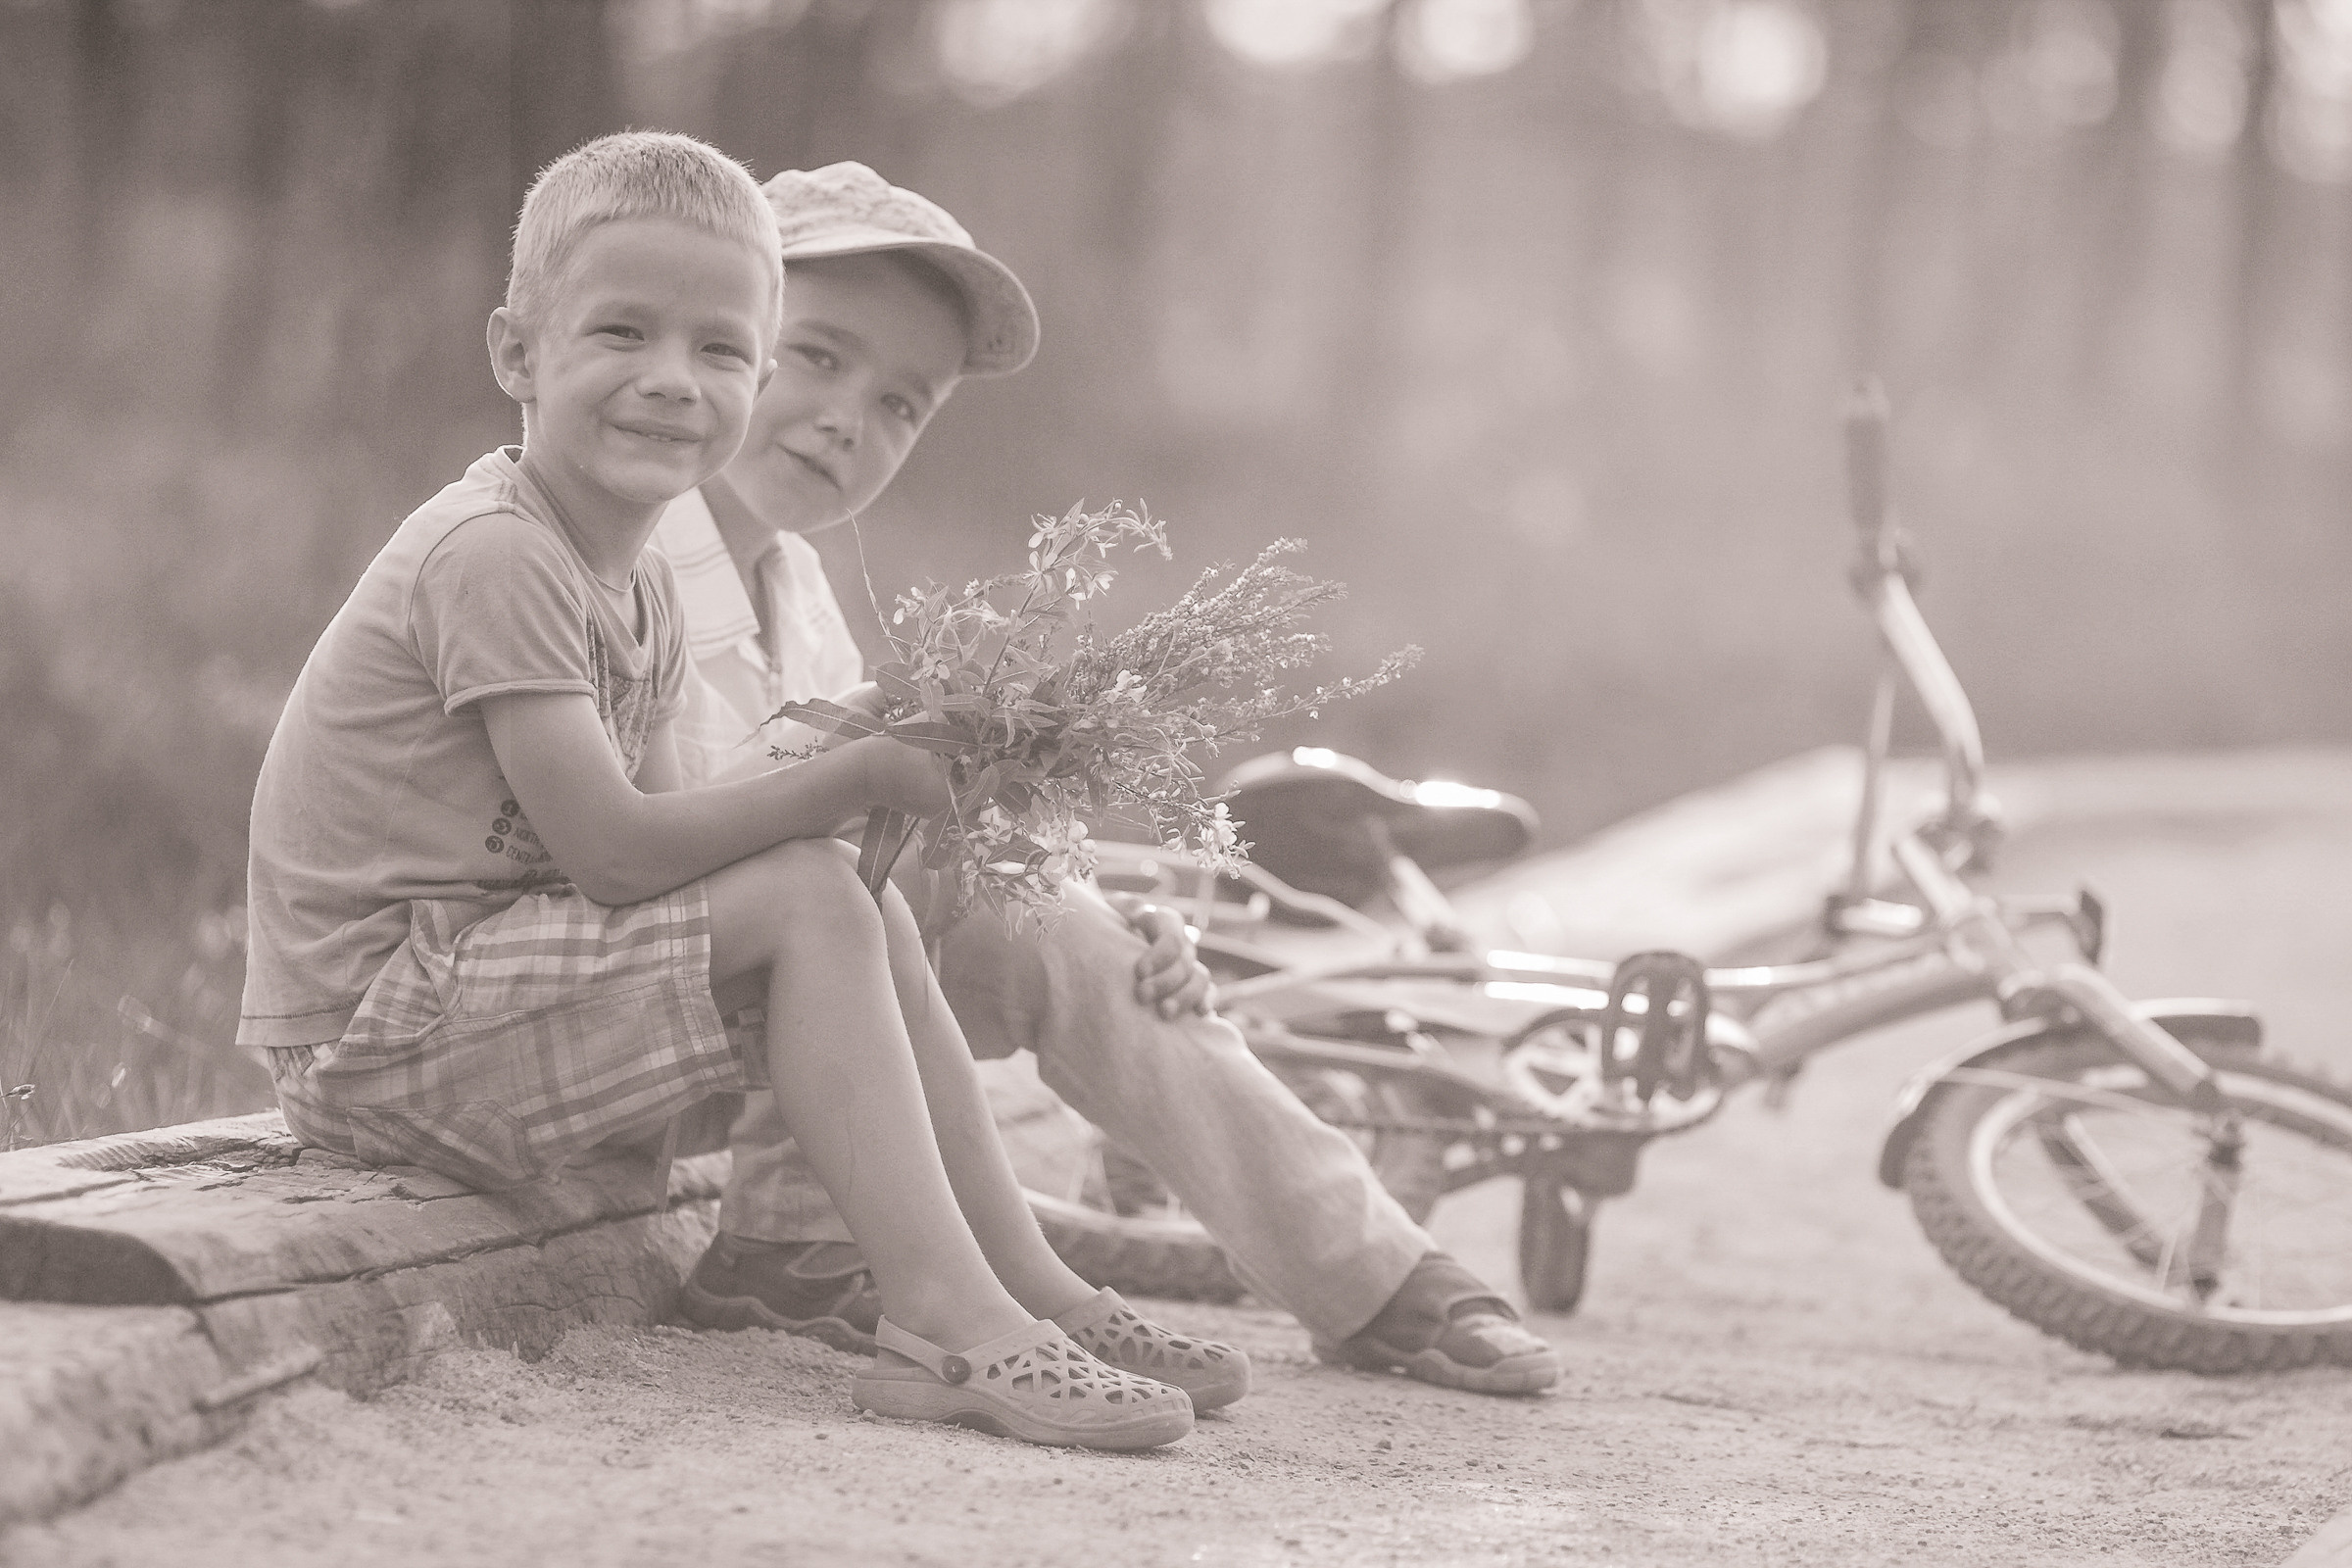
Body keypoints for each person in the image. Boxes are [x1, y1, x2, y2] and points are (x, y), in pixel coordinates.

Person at [237, 130, 1206, 1451]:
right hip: (373, 1037)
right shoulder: (497, 556)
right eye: (622, 334)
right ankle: (951, 1316)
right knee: (812, 894)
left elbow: (680, 852)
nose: (671, 383)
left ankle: (1017, 1280)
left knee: (853, 895)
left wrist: (866, 760)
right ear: (518, 353)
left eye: (719, 353)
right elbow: (619, 859)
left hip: (475, 995)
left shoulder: (628, 573)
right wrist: (850, 776)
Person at [659, 161, 1562, 1399]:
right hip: (628, 1010)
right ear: (725, 330)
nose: (844, 418)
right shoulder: (626, 550)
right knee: (889, 872)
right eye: (813, 357)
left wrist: (1090, 894)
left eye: (901, 403)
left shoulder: (795, 591)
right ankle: (793, 1239)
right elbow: (648, 836)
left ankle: (1368, 1273)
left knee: (1067, 924)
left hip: (793, 1021)